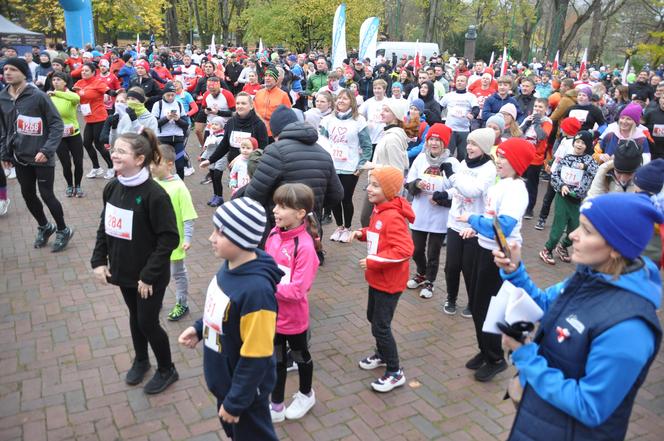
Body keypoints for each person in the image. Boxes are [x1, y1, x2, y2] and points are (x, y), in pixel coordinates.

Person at [494, 192, 663, 441]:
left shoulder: (629, 327)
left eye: (586, 230)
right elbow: (544, 304)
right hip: (541, 421)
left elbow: (590, 407)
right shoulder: (587, 276)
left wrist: (526, 356)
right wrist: (515, 271)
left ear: (616, 248)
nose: (573, 234)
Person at [177, 198, 281, 441]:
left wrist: (236, 402)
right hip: (227, 385)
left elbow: (257, 354)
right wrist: (200, 327)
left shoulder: (257, 293)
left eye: (220, 233)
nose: (211, 238)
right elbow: (224, 311)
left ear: (242, 239)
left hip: (244, 393)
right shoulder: (230, 266)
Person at [91, 130, 180, 394]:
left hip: (148, 277)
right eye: (114, 149)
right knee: (135, 317)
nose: (114, 154)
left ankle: (167, 369)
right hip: (124, 271)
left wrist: (149, 275)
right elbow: (104, 226)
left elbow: (169, 239)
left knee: (148, 321)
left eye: (121, 152)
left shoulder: (155, 194)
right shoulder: (112, 187)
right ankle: (142, 360)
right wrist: (99, 260)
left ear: (139, 159)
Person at [458, 138, 535, 382]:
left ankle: (496, 358)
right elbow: (489, 216)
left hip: (500, 255)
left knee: (488, 308)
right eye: (498, 156)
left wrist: (473, 221)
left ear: (518, 163)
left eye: (505, 158)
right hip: (484, 249)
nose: (499, 161)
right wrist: (476, 225)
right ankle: (485, 350)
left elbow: (501, 228)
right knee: (478, 304)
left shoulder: (516, 190)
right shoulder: (500, 184)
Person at [349, 166, 415, 392]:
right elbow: (378, 232)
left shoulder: (393, 216)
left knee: (381, 325)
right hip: (377, 278)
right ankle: (382, 354)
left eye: (375, 185)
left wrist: (375, 261)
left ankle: (395, 372)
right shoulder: (380, 209)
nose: (369, 188)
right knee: (372, 317)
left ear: (388, 190)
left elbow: (404, 250)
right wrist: (363, 233)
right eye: (370, 183)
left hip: (389, 281)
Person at [0, 58, 74, 252]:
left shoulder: (38, 96)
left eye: (13, 69)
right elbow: (4, 128)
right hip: (20, 156)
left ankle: (63, 229)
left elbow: (56, 124)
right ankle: (44, 226)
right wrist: (5, 153)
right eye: (5, 69)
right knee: (27, 195)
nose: (8, 72)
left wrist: (47, 150)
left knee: (47, 195)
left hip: (41, 155)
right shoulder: (3, 97)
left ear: (24, 73)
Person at [266, 184, 320, 423]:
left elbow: (299, 289)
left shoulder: (305, 247)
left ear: (300, 213)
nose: (275, 210)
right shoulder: (274, 233)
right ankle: (276, 404)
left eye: (283, 206)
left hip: (294, 318)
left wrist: (266, 286)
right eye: (276, 204)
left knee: (300, 355)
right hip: (272, 313)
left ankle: (306, 394)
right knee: (276, 357)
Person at [441, 128, 496, 316]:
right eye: (469, 143)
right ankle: (451, 298)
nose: (469, 147)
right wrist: (445, 194)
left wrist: (452, 176)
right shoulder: (465, 162)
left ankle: (474, 302)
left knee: (468, 267)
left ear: (484, 147)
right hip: (455, 221)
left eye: (474, 144)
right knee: (451, 266)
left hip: (473, 226)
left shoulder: (489, 169)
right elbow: (458, 189)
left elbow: (473, 190)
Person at [405, 123, 458, 299]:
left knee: (433, 252)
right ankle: (421, 272)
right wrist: (416, 184)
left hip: (439, 215)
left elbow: (457, 190)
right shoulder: (420, 159)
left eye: (438, 140)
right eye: (431, 139)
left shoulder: (452, 163)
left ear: (445, 143)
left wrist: (441, 198)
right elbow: (408, 181)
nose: (434, 143)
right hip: (420, 211)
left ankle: (430, 281)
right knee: (416, 250)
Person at [151, 144, 198, 321]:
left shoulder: (180, 188)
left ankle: (182, 303)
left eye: (156, 163)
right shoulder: (152, 184)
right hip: (154, 241)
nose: (151, 166)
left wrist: (187, 238)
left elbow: (188, 216)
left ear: (170, 164)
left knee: (178, 274)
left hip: (174, 241)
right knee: (155, 271)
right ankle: (157, 300)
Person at [319, 89, 372, 243]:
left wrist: (361, 165)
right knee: (334, 198)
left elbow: (367, 146)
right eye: (339, 98)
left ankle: (348, 227)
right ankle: (339, 226)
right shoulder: (328, 119)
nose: (341, 101)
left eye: (345, 99)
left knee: (346, 198)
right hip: (332, 166)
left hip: (350, 166)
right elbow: (322, 142)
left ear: (352, 102)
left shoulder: (359, 120)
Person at [539, 131, 599, 265]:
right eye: (577, 141)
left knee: (576, 230)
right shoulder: (566, 158)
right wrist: (561, 186)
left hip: (578, 200)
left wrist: (586, 166)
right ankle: (547, 249)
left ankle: (563, 246)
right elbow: (555, 175)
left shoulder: (590, 160)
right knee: (558, 227)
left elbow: (597, 172)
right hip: (563, 197)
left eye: (583, 143)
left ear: (588, 145)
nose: (579, 145)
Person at [360, 98, 410, 227]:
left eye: (386, 110)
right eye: (383, 109)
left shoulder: (393, 138)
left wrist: (373, 166)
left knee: (369, 221)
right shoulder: (388, 134)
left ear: (396, 115)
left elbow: (397, 170)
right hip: (377, 185)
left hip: (384, 190)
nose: (382, 113)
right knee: (368, 221)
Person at [535, 117, 582, 230]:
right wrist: (551, 164)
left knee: (563, 200)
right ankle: (542, 218)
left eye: (563, 127)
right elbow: (557, 156)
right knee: (548, 197)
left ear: (568, 129)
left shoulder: (574, 144)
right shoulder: (564, 139)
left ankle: (564, 222)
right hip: (555, 173)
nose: (561, 129)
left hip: (565, 176)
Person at [48, 71, 85, 198]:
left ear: (64, 82)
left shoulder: (70, 95)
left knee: (78, 162)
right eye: (54, 80)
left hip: (74, 134)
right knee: (66, 164)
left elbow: (77, 98)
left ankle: (78, 185)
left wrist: (57, 93)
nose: (55, 82)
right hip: (59, 136)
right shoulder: (49, 97)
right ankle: (70, 185)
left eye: (58, 80)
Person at [74, 62, 114, 179]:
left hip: (100, 117)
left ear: (93, 72)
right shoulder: (79, 83)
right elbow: (75, 95)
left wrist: (116, 93)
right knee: (86, 143)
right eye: (82, 70)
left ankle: (111, 167)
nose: (83, 72)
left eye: (86, 71)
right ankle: (96, 168)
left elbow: (108, 91)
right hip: (88, 117)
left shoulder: (98, 82)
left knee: (98, 144)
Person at [521, 98, 553, 218]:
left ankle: (529, 209)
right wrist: (526, 124)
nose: (537, 109)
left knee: (531, 185)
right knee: (519, 182)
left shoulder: (547, 122)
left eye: (540, 107)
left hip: (535, 158)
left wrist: (537, 124)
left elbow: (541, 137)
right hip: (523, 156)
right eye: (535, 106)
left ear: (545, 109)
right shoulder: (528, 118)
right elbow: (518, 134)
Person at [152, 82, 190, 178]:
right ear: (164, 94)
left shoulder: (179, 104)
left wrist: (177, 119)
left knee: (180, 166)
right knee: (162, 165)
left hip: (178, 138)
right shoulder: (158, 105)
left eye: (172, 95)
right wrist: (167, 118)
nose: (170, 97)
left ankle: (180, 187)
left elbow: (186, 125)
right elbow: (154, 124)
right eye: (168, 95)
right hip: (162, 139)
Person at [438, 75, 479, 161]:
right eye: (458, 81)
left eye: (462, 81)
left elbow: (476, 108)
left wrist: (473, 114)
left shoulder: (471, 96)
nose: (459, 82)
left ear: (466, 83)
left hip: (464, 129)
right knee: (447, 154)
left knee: (463, 155)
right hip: (450, 129)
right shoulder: (449, 95)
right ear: (455, 83)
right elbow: (439, 107)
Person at [255, 67, 292, 141]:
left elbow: (288, 117)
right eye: (266, 76)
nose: (267, 78)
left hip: (274, 134)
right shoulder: (259, 93)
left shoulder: (283, 95)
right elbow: (254, 110)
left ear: (276, 79)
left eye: (270, 76)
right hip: (258, 130)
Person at [199, 117, 228, 207]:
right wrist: (203, 157)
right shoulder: (211, 135)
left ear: (222, 126)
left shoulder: (223, 137)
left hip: (220, 159)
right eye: (213, 124)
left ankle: (220, 197)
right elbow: (208, 149)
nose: (214, 126)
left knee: (217, 178)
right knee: (213, 178)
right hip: (211, 160)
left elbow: (223, 150)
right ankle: (215, 195)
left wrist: (221, 161)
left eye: (217, 124)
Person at [359, 79, 389, 149]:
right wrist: (365, 123)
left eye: (379, 88)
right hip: (370, 137)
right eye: (375, 88)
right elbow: (359, 114)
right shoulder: (368, 102)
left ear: (384, 90)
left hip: (383, 138)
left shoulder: (388, 102)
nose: (376, 91)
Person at [644, 95, 664, 160]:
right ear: (659, 100)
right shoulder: (650, 114)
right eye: (663, 98)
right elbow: (643, 130)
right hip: (653, 153)